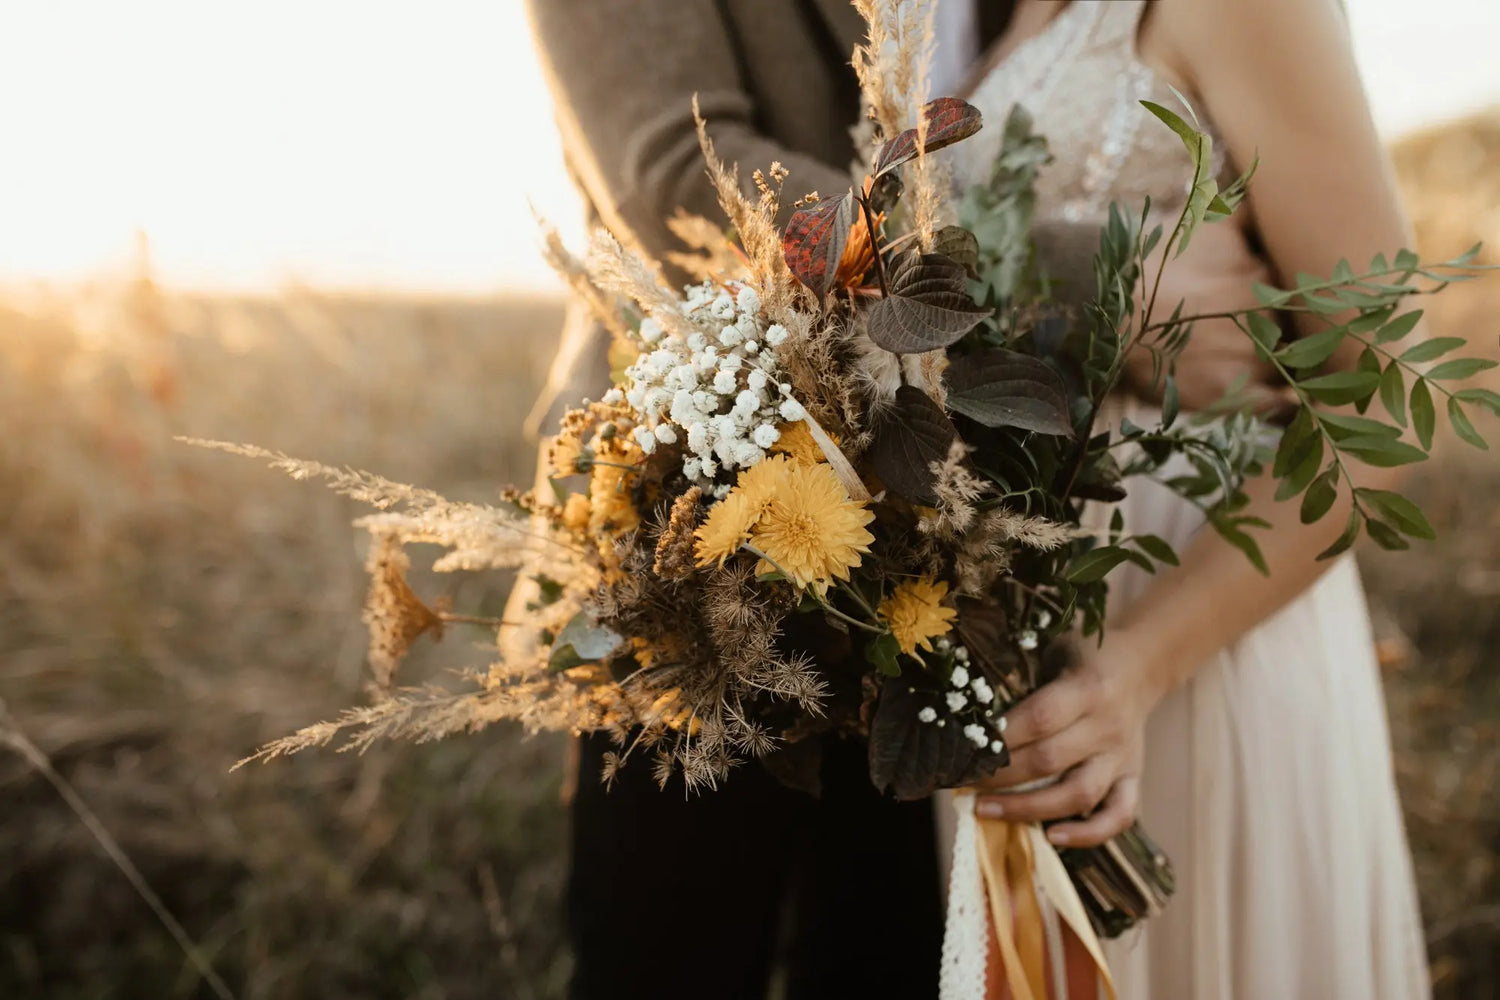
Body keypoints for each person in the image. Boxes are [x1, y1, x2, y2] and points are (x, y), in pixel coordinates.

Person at [942, 1, 1431, 997]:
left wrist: (1139, 666)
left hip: (1203, 632)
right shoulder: (1000, 19)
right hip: (1032, 659)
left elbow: (1389, 389)